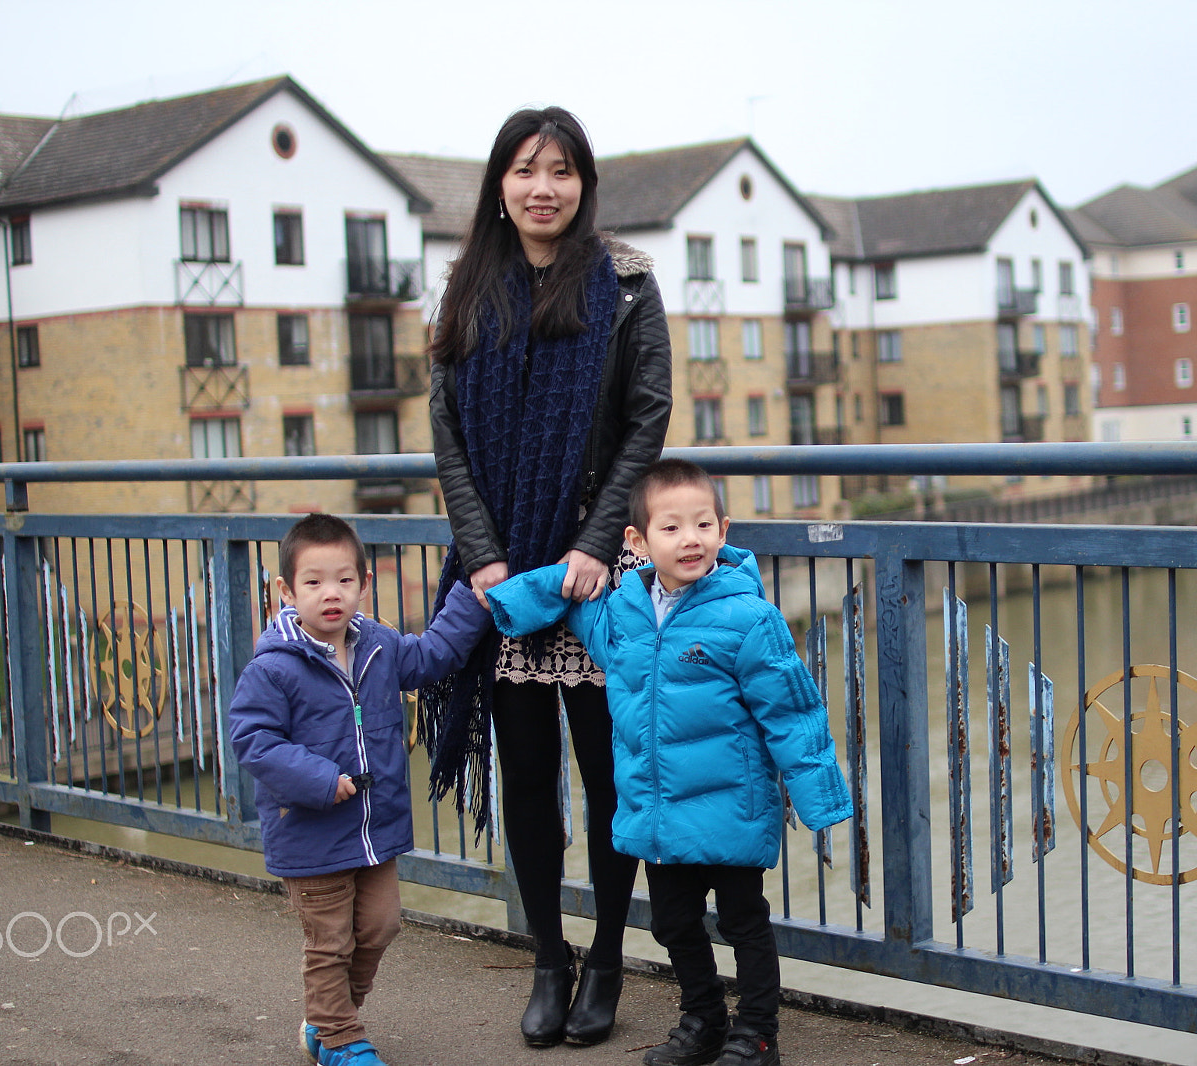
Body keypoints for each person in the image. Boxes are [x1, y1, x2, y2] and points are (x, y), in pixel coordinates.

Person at [426, 105, 672, 1049]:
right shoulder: (465, 290)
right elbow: (447, 435)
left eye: (561, 170)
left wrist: (600, 540)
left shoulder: (625, 283)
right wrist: (485, 557)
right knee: (528, 774)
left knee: (609, 778)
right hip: (505, 577)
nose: (544, 187)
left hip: (597, 573)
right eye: (527, 170)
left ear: (583, 183)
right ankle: (547, 955)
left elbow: (647, 419)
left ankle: (608, 954)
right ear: (500, 183)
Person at [484, 459, 855, 1066]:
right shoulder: (623, 615)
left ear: (724, 530)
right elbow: (565, 591)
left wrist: (818, 796)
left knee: (744, 924)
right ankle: (704, 1018)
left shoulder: (748, 616)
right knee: (674, 925)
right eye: (672, 528)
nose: (691, 540)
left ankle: (757, 1032)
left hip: (733, 806)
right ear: (636, 542)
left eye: (704, 525)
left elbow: (793, 711)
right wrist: (507, 601)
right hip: (657, 812)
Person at [228, 513, 490, 1066]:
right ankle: (341, 1039)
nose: (331, 594)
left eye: (345, 581)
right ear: (286, 590)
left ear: (364, 585)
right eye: (314, 582)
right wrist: (321, 779)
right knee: (330, 942)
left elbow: (433, 656)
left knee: (380, 925)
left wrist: (474, 596)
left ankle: (326, 1021)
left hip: (375, 827)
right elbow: (253, 740)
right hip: (311, 830)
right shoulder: (274, 666)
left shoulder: (378, 646)